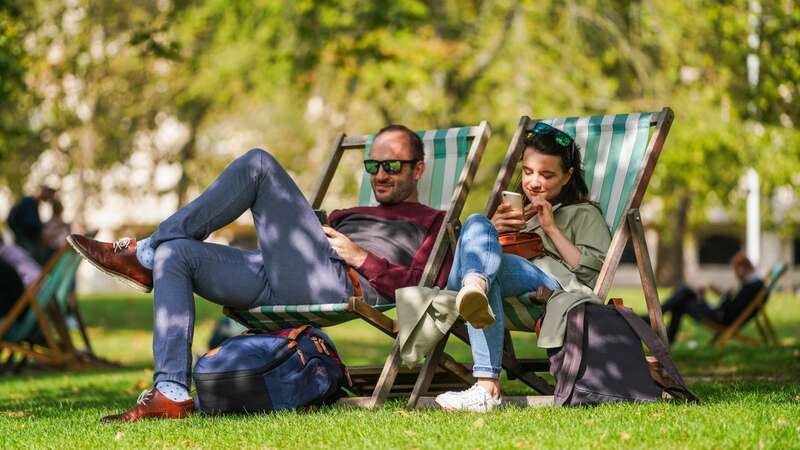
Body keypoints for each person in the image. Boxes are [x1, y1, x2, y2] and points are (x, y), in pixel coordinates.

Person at [66, 124, 452, 422]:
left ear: (418, 170)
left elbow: (419, 284)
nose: (380, 174)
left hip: (336, 281)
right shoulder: (348, 214)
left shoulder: (436, 223)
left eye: (392, 166)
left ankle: (142, 252)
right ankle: (171, 392)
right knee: (176, 254)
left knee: (259, 164)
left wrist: (360, 256)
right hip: (285, 272)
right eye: (373, 165)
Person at [435, 123, 611, 412]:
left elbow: (591, 274)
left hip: (551, 285)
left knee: (482, 263)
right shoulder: (518, 213)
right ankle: (476, 285)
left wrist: (551, 229)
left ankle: (486, 388)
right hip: (495, 280)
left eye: (547, 174)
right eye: (528, 172)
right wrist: (494, 230)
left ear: (568, 176)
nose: (534, 182)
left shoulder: (585, 213)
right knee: (478, 221)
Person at [658, 251, 764, 343]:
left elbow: (730, 311)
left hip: (719, 317)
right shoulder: (754, 284)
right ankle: (662, 324)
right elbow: (734, 306)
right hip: (719, 314)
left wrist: (725, 296)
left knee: (684, 293)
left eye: (735, 270)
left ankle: (657, 316)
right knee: (683, 295)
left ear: (742, 268)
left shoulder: (751, 286)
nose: (735, 274)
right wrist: (723, 293)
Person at [6, 186, 56, 264]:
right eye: (51, 195)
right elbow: (30, 223)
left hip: (26, 241)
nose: (51, 199)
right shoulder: (29, 202)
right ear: (45, 192)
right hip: (25, 242)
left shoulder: (33, 204)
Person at [0, 235, 42, 317]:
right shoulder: (8, 250)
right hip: (25, 302)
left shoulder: (5, 252)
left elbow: (32, 275)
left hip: (24, 307)